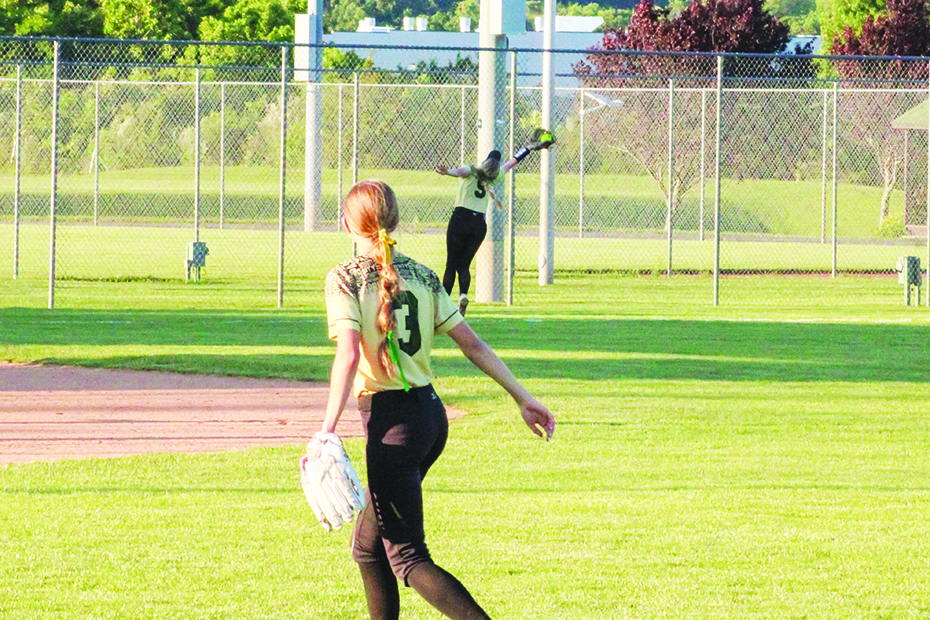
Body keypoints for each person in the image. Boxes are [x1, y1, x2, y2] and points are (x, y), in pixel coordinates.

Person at [320, 179, 555, 620]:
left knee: (406, 558)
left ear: (348, 223)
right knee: (368, 547)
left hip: (392, 427)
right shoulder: (425, 275)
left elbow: (349, 353)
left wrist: (326, 430)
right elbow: (474, 345)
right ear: (393, 220)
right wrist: (522, 397)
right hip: (429, 418)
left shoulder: (345, 277)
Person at [435, 150, 519, 316]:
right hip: (479, 225)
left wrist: (447, 172)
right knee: (464, 265)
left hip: (461, 219)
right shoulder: (494, 178)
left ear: (485, 161)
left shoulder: (472, 170)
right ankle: (463, 295)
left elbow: (461, 172)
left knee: (451, 264)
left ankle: (443, 304)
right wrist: (529, 148)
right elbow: (511, 163)